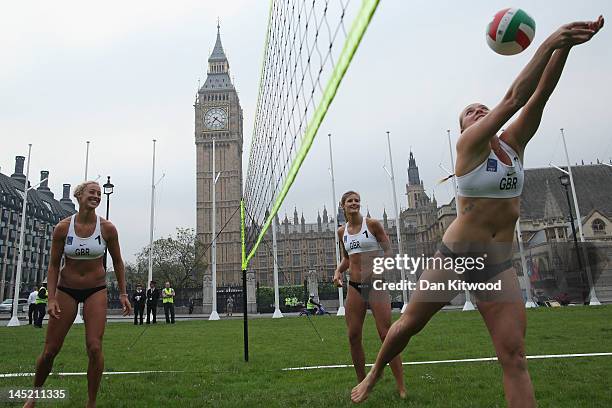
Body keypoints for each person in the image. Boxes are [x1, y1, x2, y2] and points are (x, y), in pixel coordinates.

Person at [351, 16, 605, 406]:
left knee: (515, 357)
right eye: (471, 111)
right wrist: (551, 39)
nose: (478, 111)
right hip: (456, 256)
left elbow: (538, 97)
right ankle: (375, 374)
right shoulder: (469, 146)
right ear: (464, 126)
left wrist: (565, 48)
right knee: (409, 325)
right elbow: (514, 98)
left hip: (497, 264)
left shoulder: (513, 146)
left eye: (481, 108)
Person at [24, 181, 131, 408]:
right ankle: (34, 395)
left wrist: (123, 294)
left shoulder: (107, 228)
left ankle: (90, 403)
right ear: (79, 196)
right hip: (67, 290)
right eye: (92, 193)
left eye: (99, 194)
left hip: (96, 290)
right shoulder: (63, 228)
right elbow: (53, 266)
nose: (96, 196)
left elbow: (118, 262)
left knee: (94, 347)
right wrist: (51, 298)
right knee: (50, 351)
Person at [333, 191, 406, 399]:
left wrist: (380, 268)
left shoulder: (372, 225)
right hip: (355, 286)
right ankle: (363, 384)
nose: (354, 203)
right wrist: (338, 271)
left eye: (357, 200)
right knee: (353, 336)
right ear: (343, 206)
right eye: (350, 201)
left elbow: (389, 251)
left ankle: (401, 386)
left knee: (386, 335)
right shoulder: (341, 232)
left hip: (376, 285)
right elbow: (347, 259)